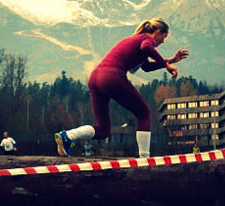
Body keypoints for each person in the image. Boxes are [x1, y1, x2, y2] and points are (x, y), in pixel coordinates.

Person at [55, 18, 189, 157]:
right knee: (144, 114)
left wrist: (171, 60)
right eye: (164, 37)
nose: (163, 41)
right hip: (112, 77)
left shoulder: (135, 40)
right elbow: (146, 47)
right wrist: (167, 65)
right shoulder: (146, 39)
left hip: (96, 78)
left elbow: (147, 67)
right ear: (158, 32)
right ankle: (145, 159)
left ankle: (67, 136)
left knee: (103, 130)